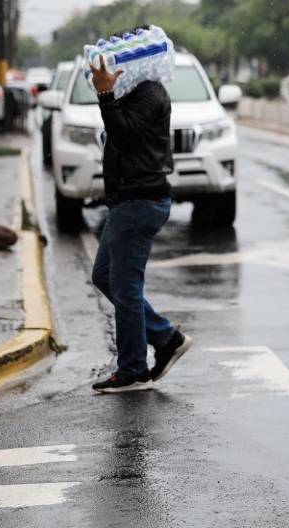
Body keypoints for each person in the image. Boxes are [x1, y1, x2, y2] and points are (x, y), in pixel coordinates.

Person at [88, 47, 192, 393]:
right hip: (128, 199)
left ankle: (133, 369)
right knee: (104, 276)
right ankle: (165, 338)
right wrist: (108, 93)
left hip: (139, 200)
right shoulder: (136, 91)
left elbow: (125, 133)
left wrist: (106, 95)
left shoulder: (149, 92)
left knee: (125, 287)